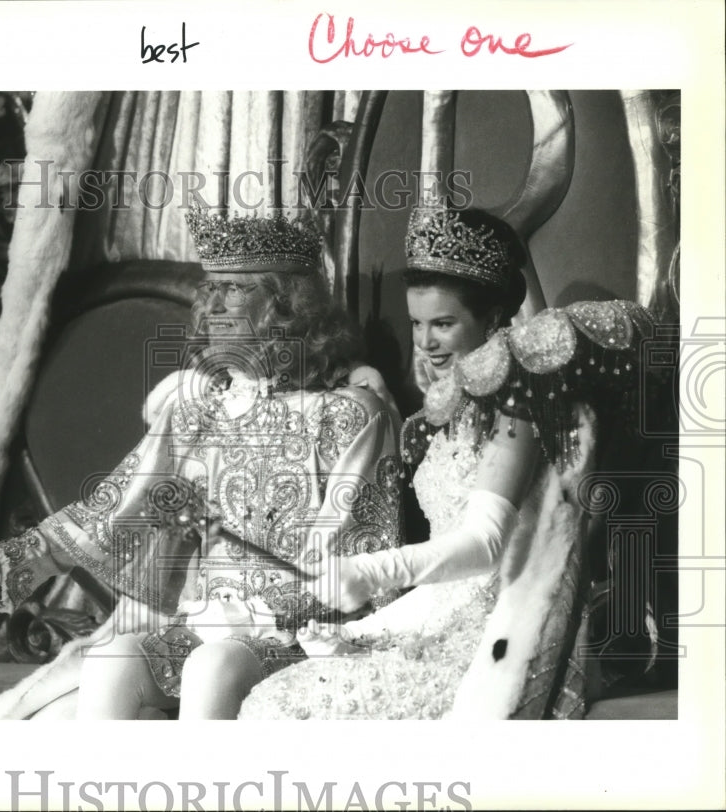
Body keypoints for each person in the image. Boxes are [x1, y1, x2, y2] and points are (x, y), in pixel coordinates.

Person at [0, 206, 404, 719]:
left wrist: (262, 610)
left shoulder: (350, 414)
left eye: (237, 289)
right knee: (112, 659)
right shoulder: (197, 410)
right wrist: (0, 563)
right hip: (208, 626)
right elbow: (110, 512)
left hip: (308, 633)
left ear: (287, 305)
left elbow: (355, 553)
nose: (213, 306)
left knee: (212, 667)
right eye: (211, 289)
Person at [239, 201, 653, 720]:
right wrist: (359, 627)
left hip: (490, 635)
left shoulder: (519, 402)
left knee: (277, 707)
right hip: (434, 620)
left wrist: (370, 570)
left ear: (494, 317)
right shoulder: (451, 406)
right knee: (272, 692)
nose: (426, 341)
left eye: (444, 323)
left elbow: (485, 546)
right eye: (416, 323)